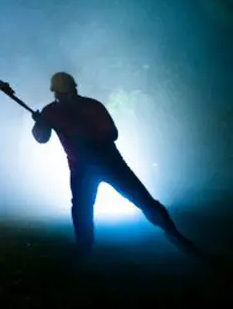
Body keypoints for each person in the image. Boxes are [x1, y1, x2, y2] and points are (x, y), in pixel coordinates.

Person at [31, 72, 202, 260]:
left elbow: (112, 133)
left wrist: (85, 137)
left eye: (69, 93)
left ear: (73, 90)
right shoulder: (51, 112)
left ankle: (174, 235)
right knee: (81, 208)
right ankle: (84, 248)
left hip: (109, 163)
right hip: (82, 168)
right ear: (57, 94)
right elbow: (42, 138)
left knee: (142, 199)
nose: (67, 97)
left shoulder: (92, 106)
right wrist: (40, 125)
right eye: (63, 94)